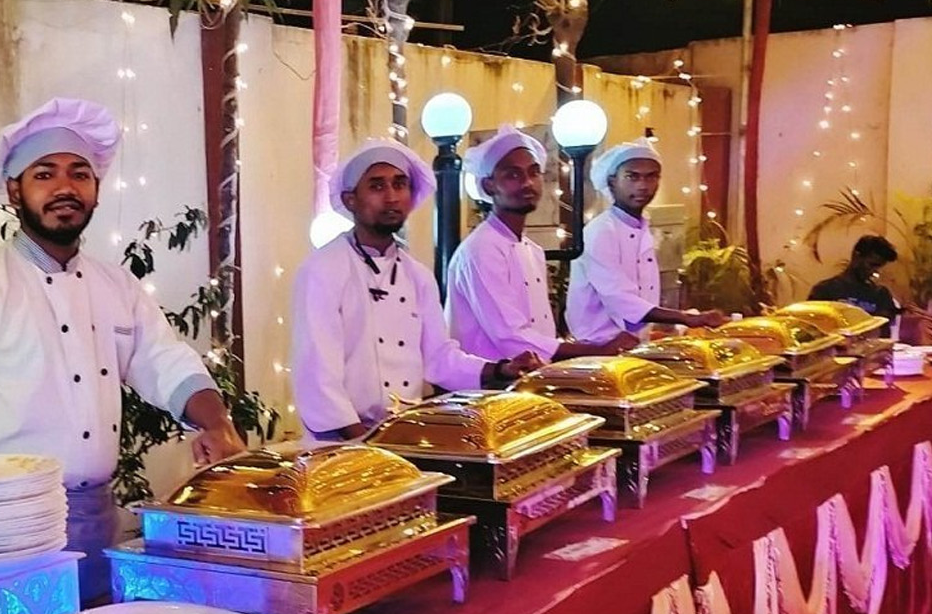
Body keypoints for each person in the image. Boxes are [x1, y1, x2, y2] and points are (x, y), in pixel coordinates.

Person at [0, 97, 244, 601]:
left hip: (99, 516)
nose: (65, 187)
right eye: (44, 174)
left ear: (96, 189)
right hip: (6, 533)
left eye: (79, 174)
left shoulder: (116, 286)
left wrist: (216, 424)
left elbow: (165, 360)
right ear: (14, 190)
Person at [291, 139, 537, 439]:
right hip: (341, 444)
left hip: (403, 435)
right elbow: (318, 374)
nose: (391, 197)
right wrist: (367, 442)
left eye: (400, 184)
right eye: (377, 186)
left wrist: (500, 370)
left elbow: (439, 359)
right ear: (350, 199)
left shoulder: (417, 274)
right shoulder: (323, 270)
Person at [446, 125, 633, 362]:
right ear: (488, 186)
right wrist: (598, 351)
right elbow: (511, 337)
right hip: (489, 381)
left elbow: (539, 334)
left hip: (532, 377)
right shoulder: (481, 250)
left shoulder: (532, 250)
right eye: (513, 175)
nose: (528, 183)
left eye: (534, 173)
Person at [567, 137, 728, 344]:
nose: (643, 186)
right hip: (597, 347)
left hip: (632, 345)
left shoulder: (642, 227)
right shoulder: (600, 231)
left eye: (651, 177)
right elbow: (620, 299)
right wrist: (688, 318)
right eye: (632, 177)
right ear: (612, 181)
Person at [808, 235, 900, 322]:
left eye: (879, 267)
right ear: (856, 257)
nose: (874, 271)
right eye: (872, 264)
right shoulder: (825, 290)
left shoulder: (880, 294)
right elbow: (813, 326)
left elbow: (884, 328)